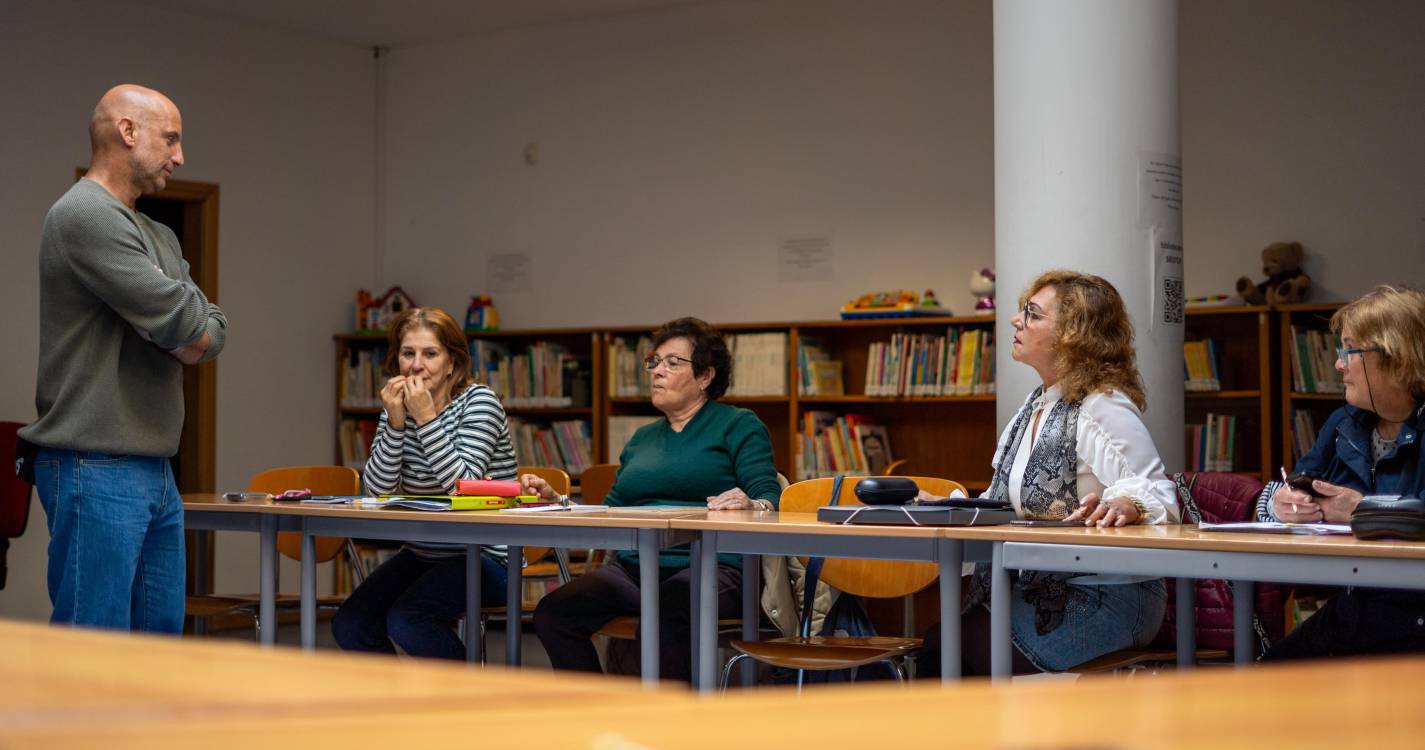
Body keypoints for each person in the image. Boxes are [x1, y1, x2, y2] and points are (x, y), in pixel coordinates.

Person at [19, 85, 227, 633]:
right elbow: (187, 324)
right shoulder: (85, 214)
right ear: (127, 132)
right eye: (171, 139)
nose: (180, 157)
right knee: (95, 650)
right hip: (95, 463)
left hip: (154, 468)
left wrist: (176, 317)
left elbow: (210, 331)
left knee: (154, 652)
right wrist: (178, 314)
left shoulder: (156, 232)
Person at [918, 270, 1180, 677]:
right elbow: (1009, 506)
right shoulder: (1035, 406)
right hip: (1040, 592)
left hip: (1107, 599)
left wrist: (1129, 502)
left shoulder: (1102, 405)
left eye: (1033, 314)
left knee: (951, 647)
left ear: (1074, 335)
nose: (1015, 321)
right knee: (942, 644)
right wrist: (951, 508)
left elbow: (1161, 494)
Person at [528, 317, 782, 681]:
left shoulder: (738, 424)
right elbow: (611, 510)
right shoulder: (641, 438)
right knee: (554, 611)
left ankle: (668, 727)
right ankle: (594, 713)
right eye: (655, 362)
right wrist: (561, 502)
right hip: (636, 569)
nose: (657, 371)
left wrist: (750, 503)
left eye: (672, 363)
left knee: (667, 609)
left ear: (706, 377)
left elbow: (768, 497)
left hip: (717, 568)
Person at [331, 307, 519, 659]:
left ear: (452, 363)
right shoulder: (396, 407)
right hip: (425, 552)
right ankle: (400, 705)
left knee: (408, 620)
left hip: (489, 556)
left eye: (430, 354)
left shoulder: (480, 402)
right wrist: (398, 424)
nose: (416, 365)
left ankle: (465, 703)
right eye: (408, 353)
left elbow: (463, 486)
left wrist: (426, 418)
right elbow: (376, 492)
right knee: (351, 624)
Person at [1256, 285, 1425, 659]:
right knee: (1262, 685)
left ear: (1396, 358)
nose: (1338, 364)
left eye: (1350, 350)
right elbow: (1295, 483)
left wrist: (1363, 510)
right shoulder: (1342, 423)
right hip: (1354, 610)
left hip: (1413, 619)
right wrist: (1284, 503)